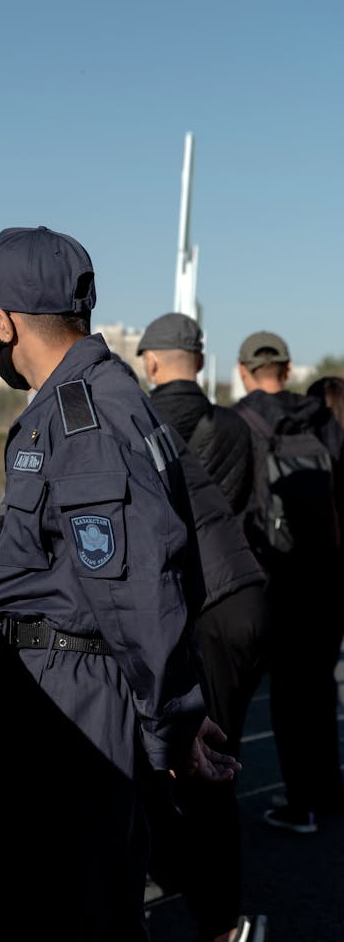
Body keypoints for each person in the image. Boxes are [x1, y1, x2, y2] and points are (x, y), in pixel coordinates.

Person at [0, 225, 239, 942]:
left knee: (64, 909)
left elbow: (137, 588)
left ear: (2, 320)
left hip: (70, 700)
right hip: (71, 682)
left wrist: (172, 727)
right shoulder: (93, 399)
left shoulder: (87, 414)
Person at [137, 313, 268, 942]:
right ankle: (212, 902)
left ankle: (222, 922)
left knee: (196, 770)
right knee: (218, 761)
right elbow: (234, 511)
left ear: (152, 362)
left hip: (203, 608)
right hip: (242, 595)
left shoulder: (139, 420)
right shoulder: (234, 427)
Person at [234, 332, 344, 833]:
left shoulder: (241, 421)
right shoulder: (320, 416)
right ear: (289, 367)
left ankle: (298, 805)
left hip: (274, 575)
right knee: (319, 688)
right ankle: (325, 793)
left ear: (242, 370)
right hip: (327, 573)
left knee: (281, 696)